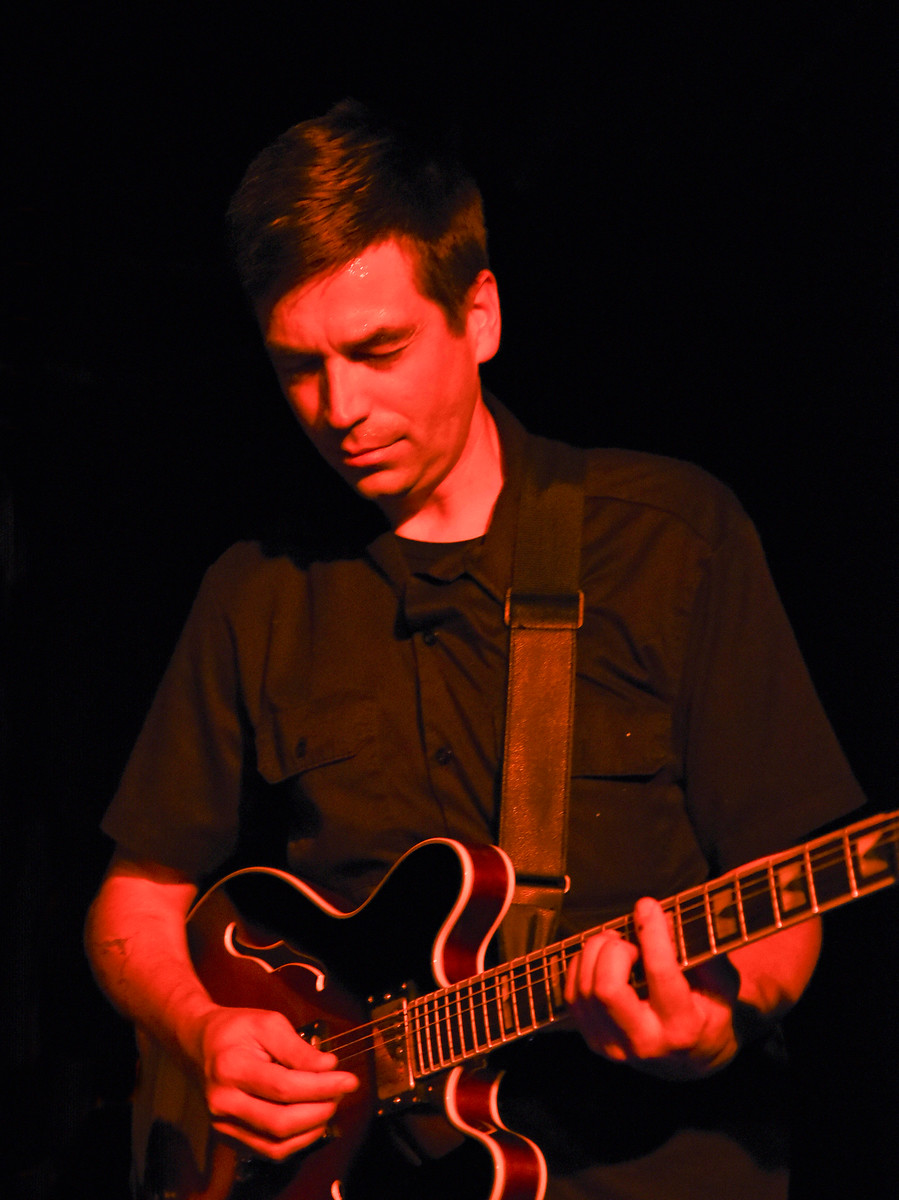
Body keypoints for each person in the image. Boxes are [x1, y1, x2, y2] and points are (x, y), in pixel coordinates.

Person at [85, 100, 865, 1199]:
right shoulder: (254, 591)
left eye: (377, 350)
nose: (338, 408)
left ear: (480, 314)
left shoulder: (670, 539)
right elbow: (133, 907)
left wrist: (710, 1026)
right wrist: (205, 1028)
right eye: (297, 367)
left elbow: (792, 885)